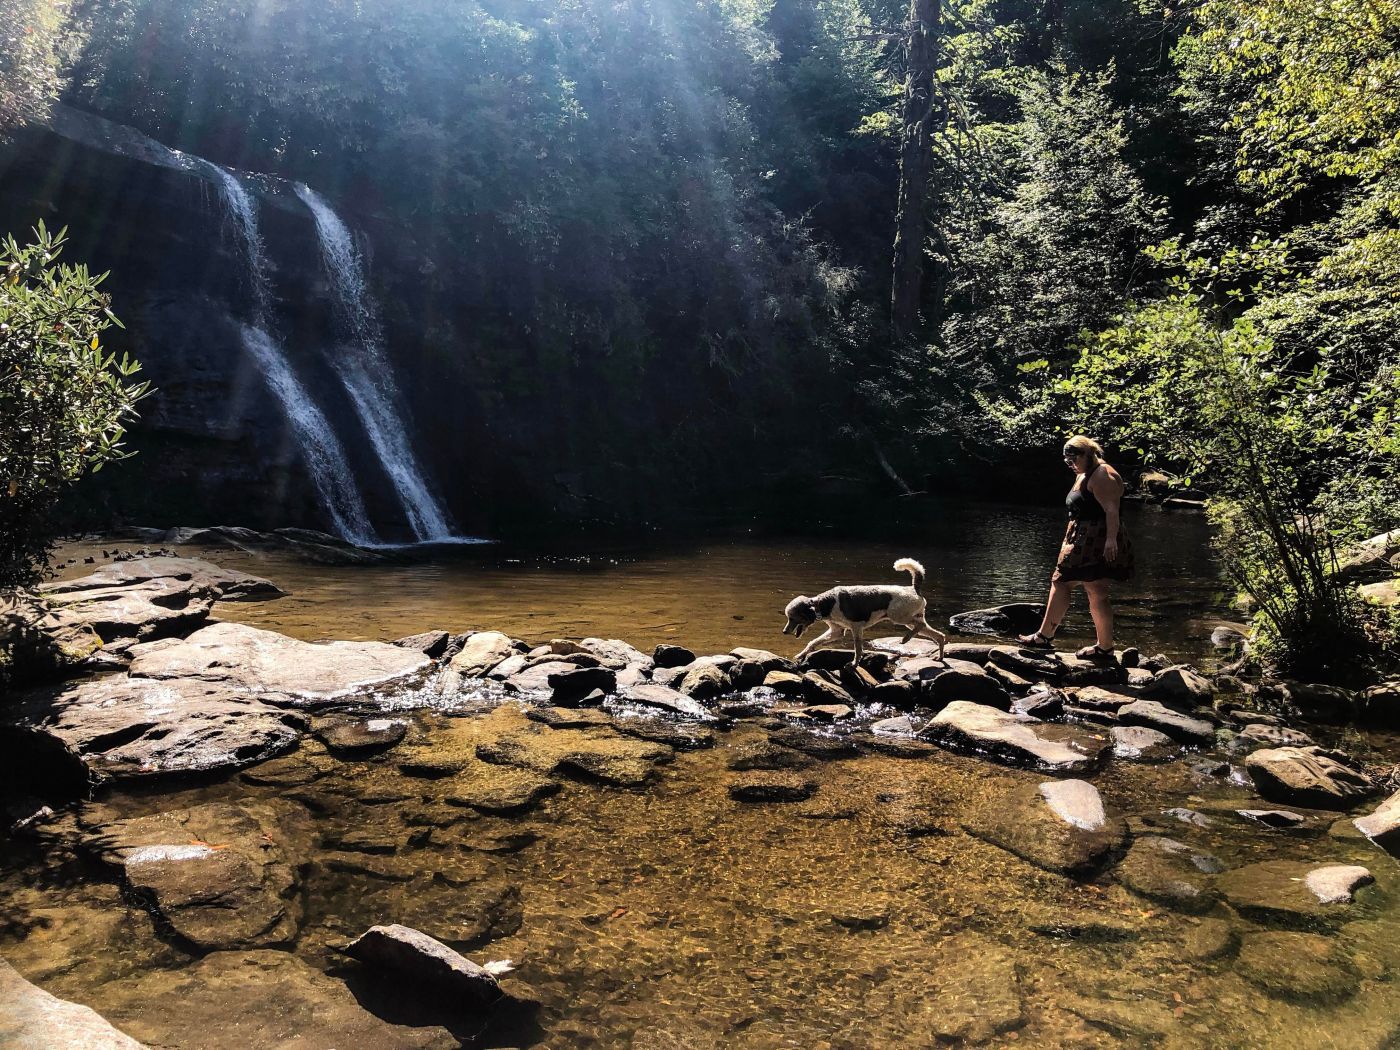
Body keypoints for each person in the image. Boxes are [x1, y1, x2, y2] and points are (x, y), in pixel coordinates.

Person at [1018, 435, 1133, 659]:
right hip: (1082, 538)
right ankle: (1100, 647)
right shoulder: (1084, 472)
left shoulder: (1103, 475)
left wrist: (1111, 540)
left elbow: (1112, 511)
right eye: (1067, 461)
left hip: (1096, 539)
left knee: (1072, 584)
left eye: (1073, 460)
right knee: (1085, 588)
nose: (1070, 464)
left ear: (1087, 454)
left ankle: (1049, 637)